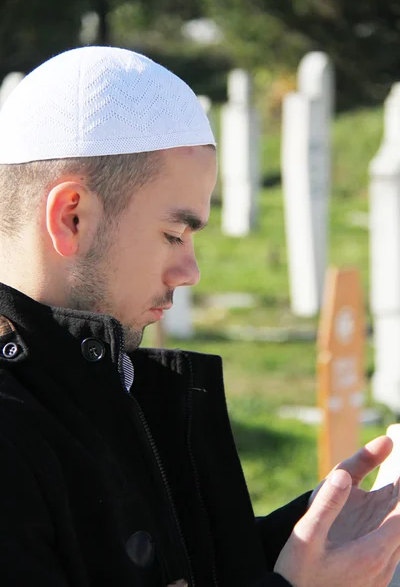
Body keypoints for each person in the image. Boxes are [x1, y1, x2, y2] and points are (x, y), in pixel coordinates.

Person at [0, 46, 398, 587]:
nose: (190, 271)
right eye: (174, 234)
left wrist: (302, 538)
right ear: (72, 216)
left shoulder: (109, 382)